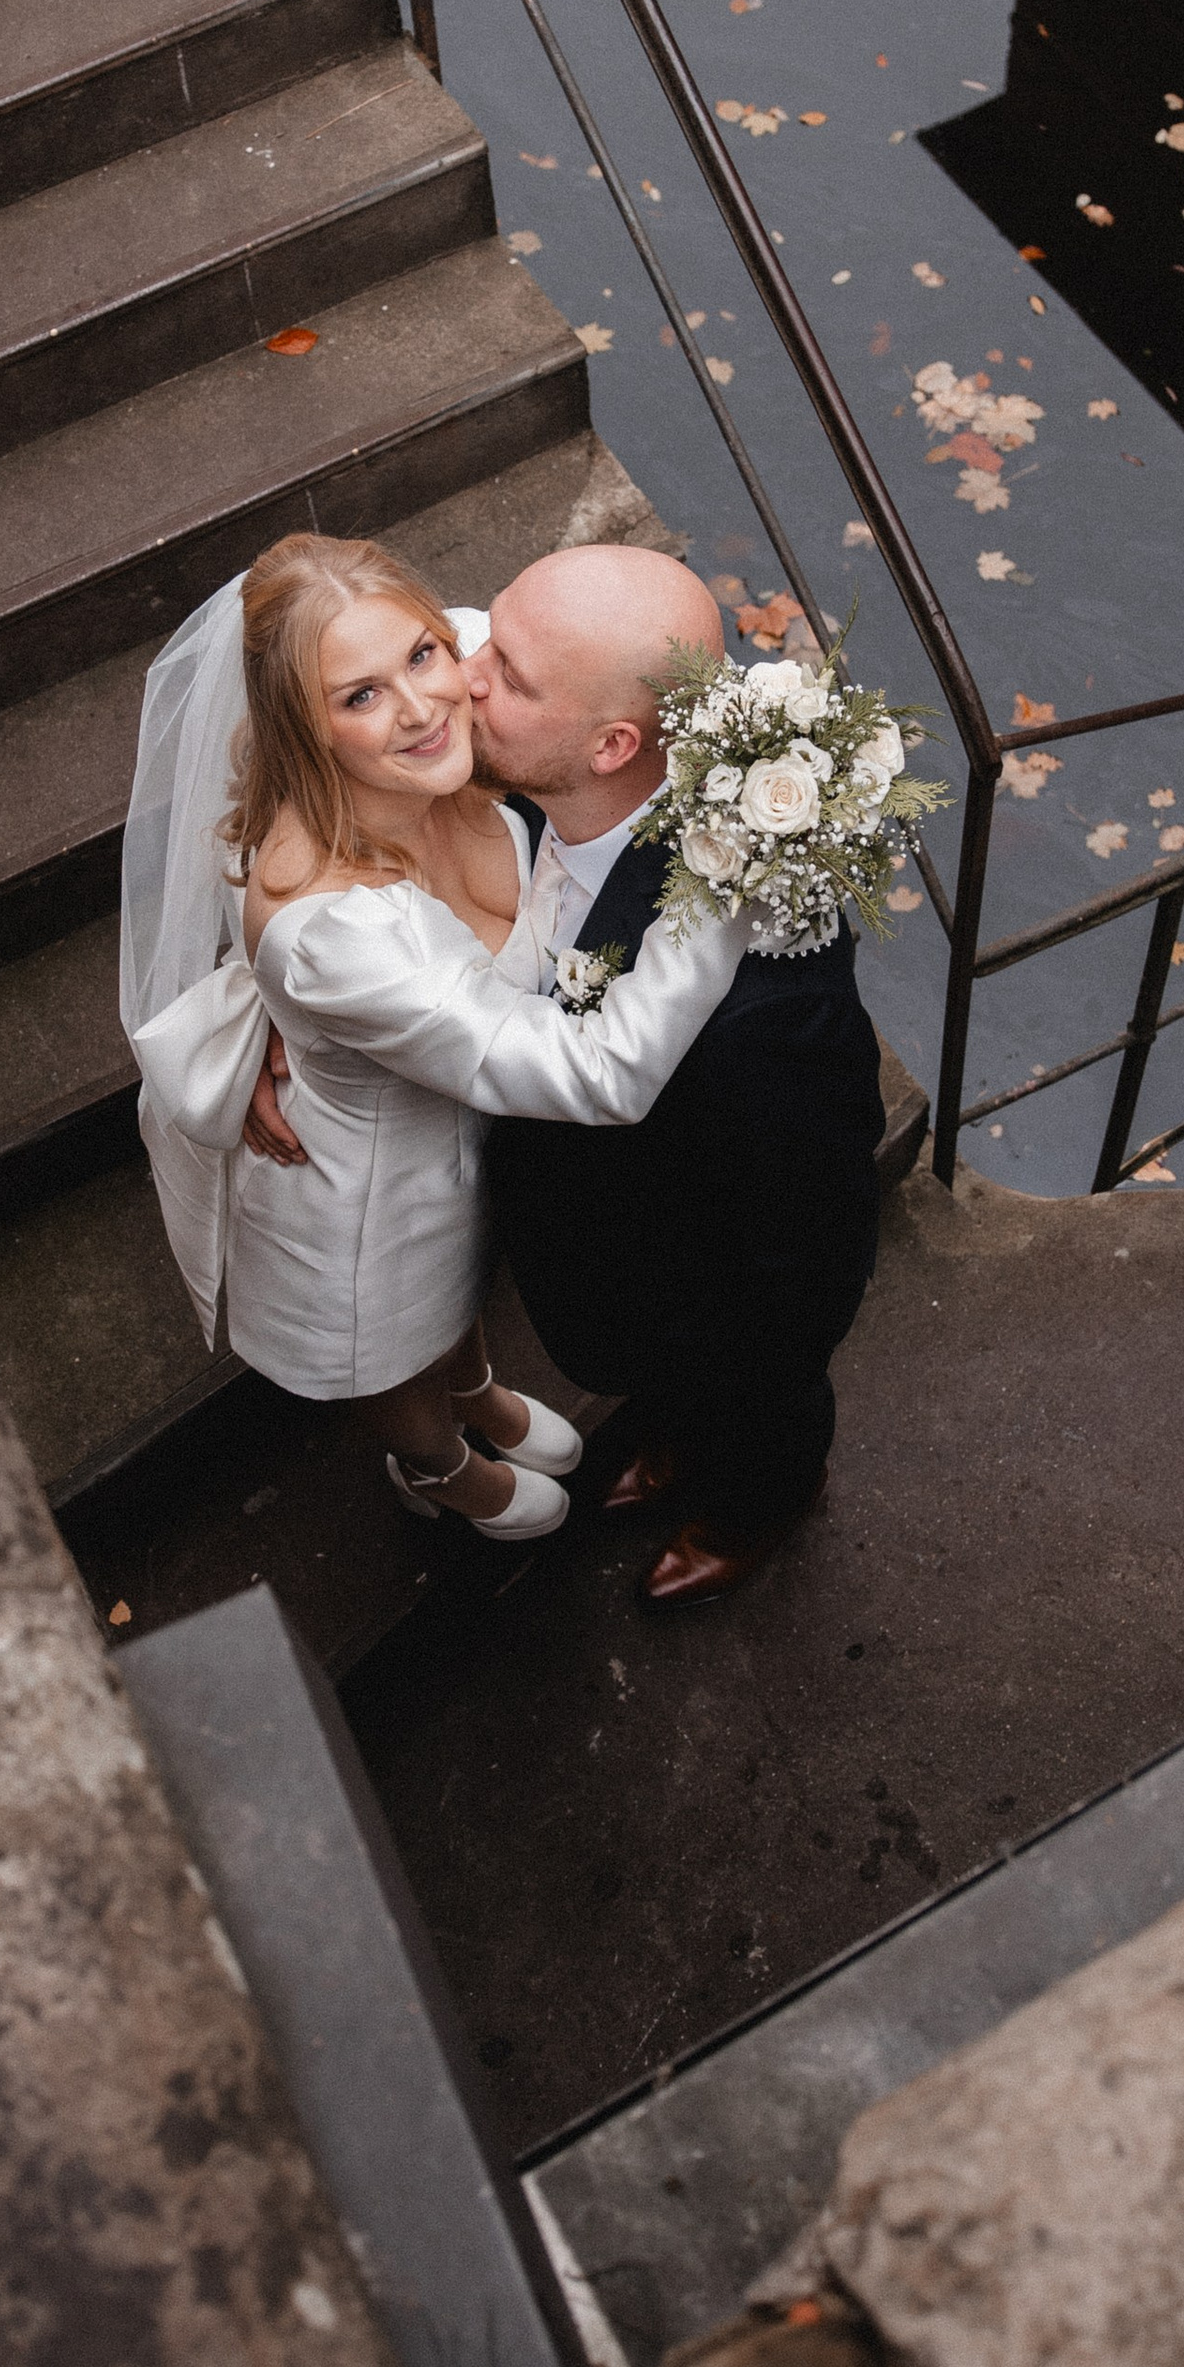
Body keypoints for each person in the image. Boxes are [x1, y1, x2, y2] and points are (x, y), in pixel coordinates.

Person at [121, 532, 746, 1536]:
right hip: (373, 1198)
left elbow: (590, 663)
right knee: (395, 1348)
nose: (420, 704)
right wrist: (733, 877)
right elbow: (603, 1074)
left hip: (478, 1147)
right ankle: (438, 1464)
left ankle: (481, 1394)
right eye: (358, 696)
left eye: (421, 656)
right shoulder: (340, 936)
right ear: (304, 730)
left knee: (461, 1314)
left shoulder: (455, 672)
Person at [468, 546, 886, 1605]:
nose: (461, 677)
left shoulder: (765, 1002)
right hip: (600, 1249)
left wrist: (772, 1366)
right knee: (666, 1388)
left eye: (508, 674)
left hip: (708, 1285)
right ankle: (667, 1435)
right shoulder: (510, 784)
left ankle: (760, 1501)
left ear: (612, 744)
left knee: (747, 1400)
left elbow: (807, 1231)